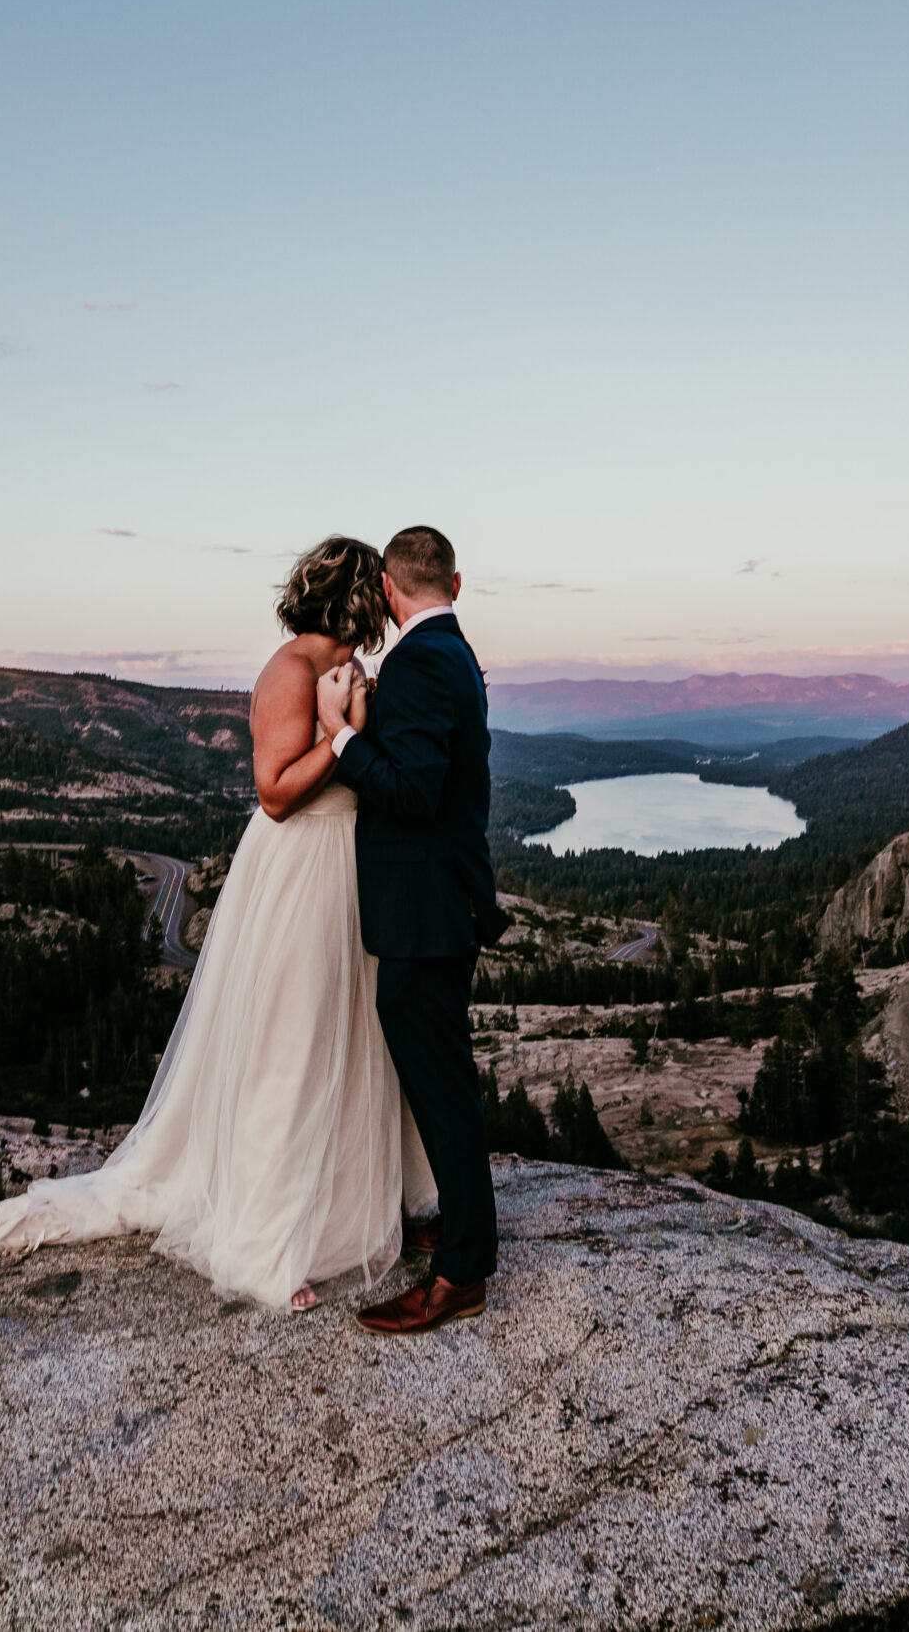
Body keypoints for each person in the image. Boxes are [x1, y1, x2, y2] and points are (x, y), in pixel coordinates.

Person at [0, 536, 434, 1313]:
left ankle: (345, 1210)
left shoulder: (346, 669)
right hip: (301, 870)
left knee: (346, 1039)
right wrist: (337, 731)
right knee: (291, 1042)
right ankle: (264, 1246)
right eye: (377, 592)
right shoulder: (291, 671)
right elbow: (277, 791)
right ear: (359, 595)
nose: (388, 605)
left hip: (346, 870)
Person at [318, 524, 509, 1336]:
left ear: (391, 593)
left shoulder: (424, 661)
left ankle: (462, 1267)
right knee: (442, 1074)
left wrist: (342, 733)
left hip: (427, 912)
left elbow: (414, 792)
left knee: (443, 1082)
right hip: (436, 905)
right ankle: (457, 1227)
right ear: (455, 585)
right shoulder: (454, 653)